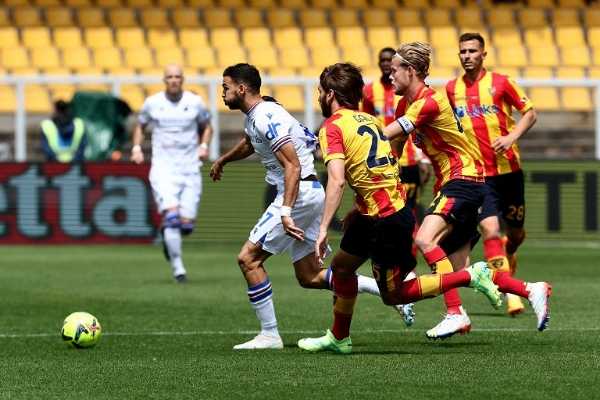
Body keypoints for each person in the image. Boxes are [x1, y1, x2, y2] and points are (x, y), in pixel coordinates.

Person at [297, 62, 502, 355]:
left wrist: (321, 230)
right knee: (342, 268)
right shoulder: (368, 120)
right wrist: (360, 206)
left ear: (330, 94)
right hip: (376, 213)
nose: (319, 96)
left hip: (385, 219)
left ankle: (470, 276)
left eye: (320, 91)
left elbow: (337, 180)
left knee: (392, 295)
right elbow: (383, 166)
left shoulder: (331, 127)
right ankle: (339, 337)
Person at [210, 63, 412, 350]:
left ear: (241, 89)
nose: (223, 93)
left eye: (226, 87)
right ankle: (382, 291)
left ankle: (269, 334)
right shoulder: (259, 114)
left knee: (248, 259)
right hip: (307, 191)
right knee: (309, 276)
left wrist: (285, 211)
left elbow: (292, 166)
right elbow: (251, 143)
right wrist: (223, 160)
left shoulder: (266, 116)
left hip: (299, 191)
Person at [384, 42, 551, 339]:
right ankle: (529, 289)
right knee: (456, 265)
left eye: (394, 70)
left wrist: (347, 133)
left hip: (464, 179)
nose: (389, 75)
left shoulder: (429, 101)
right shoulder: (403, 105)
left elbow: (384, 134)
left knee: (424, 239)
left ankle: (455, 313)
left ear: (410, 71)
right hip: (455, 182)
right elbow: (393, 149)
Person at [446, 32, 538, 316]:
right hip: (478, 175)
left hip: (509, 171)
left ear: (483, 54)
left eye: (472, 51)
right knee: (489, 229)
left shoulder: (501, 83)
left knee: (517, 233)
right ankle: (511, 293)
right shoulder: (451, 89)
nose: (467, 56)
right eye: (463, 51)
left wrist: (511, 137)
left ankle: (509, 253)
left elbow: (530, 113)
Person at [131, 64, 212, 283]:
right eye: (170, 77)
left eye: (177, 76)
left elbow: (207, 126)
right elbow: (140, 126)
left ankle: (167, 237)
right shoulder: (153, 103)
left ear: (183, 79)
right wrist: (137, 148)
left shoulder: (194, 102)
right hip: (163, 169)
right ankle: (179, 269)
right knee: (173, 218)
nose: (174, 80)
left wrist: (204, 146)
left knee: (185, 226)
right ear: (164, 80)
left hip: (189, 168)